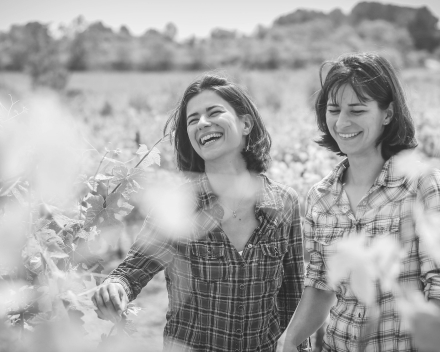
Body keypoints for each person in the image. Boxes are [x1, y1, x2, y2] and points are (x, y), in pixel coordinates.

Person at [92, 73, 308, 352]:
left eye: (214, 112)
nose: (202, 123)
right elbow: (131, 272)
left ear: (245, 123)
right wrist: (114, 288)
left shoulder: (284, 203)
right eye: (192, 120)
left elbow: (293, 292)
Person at [282, 52, 440, 352]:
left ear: (388, 114)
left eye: (356, 110)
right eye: (333, 109)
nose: (342, 122)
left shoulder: (422, 184)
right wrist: (289, 341)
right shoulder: (320, 197)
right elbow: (319, 286)